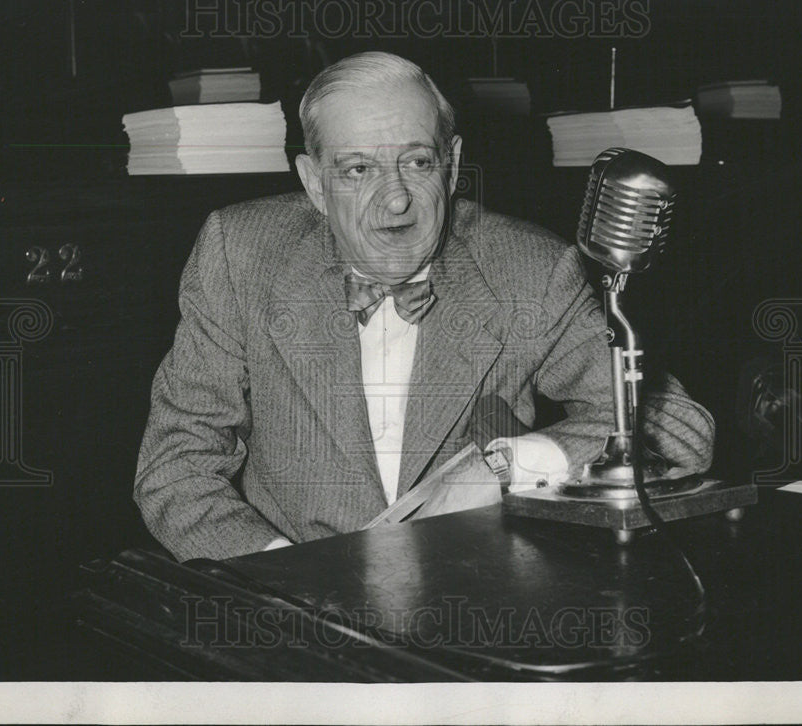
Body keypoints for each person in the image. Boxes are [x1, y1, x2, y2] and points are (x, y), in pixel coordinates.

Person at [134, 51, 715, 561]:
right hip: (287, 605)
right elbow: (175, 466)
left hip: (470, 597)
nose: (395, 201)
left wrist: (505, 466)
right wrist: (285, 576)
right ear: (313, 183)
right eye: (358, 169)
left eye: (416, 162)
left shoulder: (530, 269)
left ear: (453, 164)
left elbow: (681, 433)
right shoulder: (240, 254)